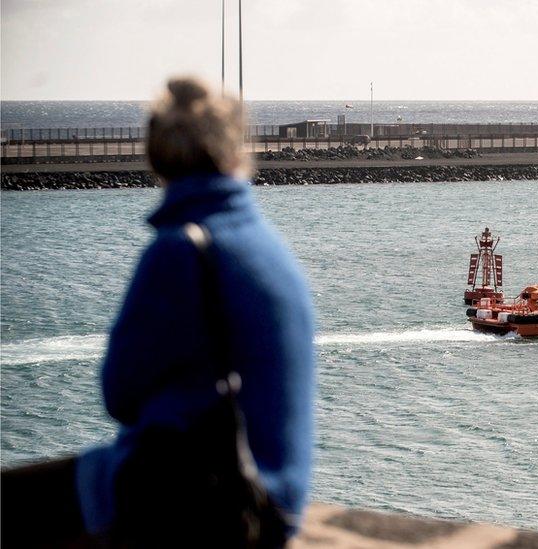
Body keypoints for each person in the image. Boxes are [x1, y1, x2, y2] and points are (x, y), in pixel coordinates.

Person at [1, 77, 316, 547]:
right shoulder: (265, 244)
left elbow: (119, 393)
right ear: (237, 153)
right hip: (277, 502)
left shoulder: (181, 249)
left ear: (155, 156)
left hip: (212, 502)